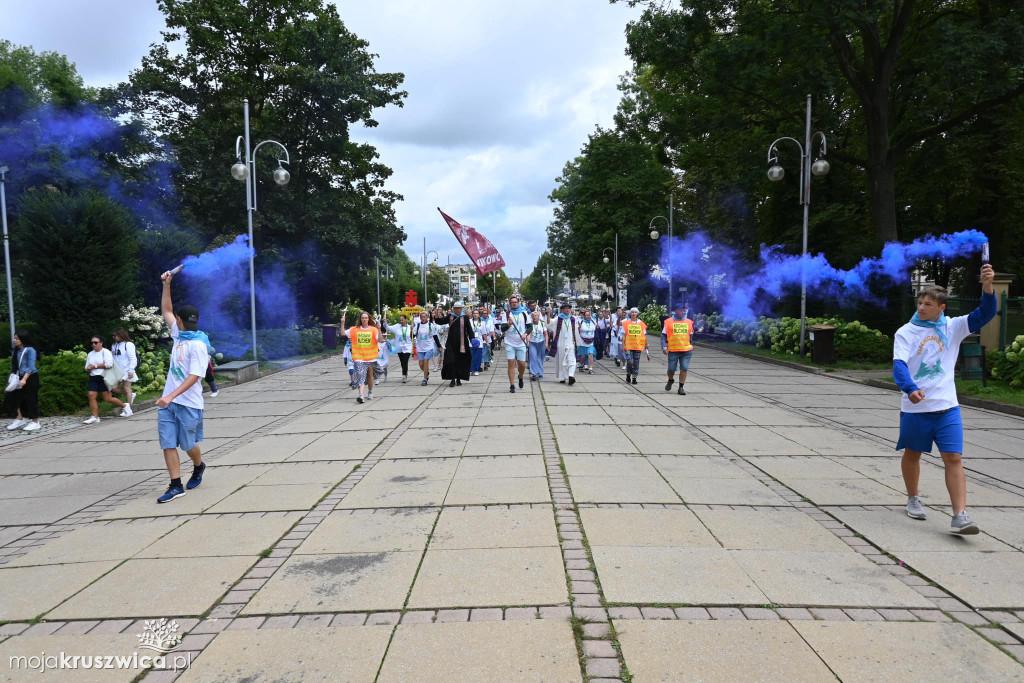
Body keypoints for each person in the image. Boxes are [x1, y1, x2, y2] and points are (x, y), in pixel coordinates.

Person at [893, 265, 997, 535]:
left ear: (942, 307)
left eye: (927, 304)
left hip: (947, 407)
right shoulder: (906, 332)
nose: (921, 307)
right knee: (912, 453)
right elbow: (899, 365)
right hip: (916, 408)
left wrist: (987, 287)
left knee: (953, 457)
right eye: (919, 303)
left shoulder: (953, 327)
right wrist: (910, 388)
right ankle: (913, 497)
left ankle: (960, 516)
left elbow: (985, 313)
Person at [154, 270, 210, 503]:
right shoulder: (179, 333)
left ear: (182, 321)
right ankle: (175, 485)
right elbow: (166, 309)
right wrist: (167, 284)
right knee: (168, 443)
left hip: (188, 403)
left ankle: (199, 465)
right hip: (169, 404)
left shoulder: (197, 344)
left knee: (188, 445)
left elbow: (195, 376)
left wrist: (171, 395)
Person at [83, 335, 130, 423]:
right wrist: (88, 368)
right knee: (91, 395)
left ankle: (125, 406)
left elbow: (109, 364)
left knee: (108, 399)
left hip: (104, 377)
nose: (93, 344)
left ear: (101, 343)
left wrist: (95, 366)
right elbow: (86, 366)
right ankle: (95, 417)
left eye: (96, 342)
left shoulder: (106, 352)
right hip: (93, 377)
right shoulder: (90, 354)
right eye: (92, 343)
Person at [5, 330, 40, 432]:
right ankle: (20, 418)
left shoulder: (30, 350)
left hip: (30, 377)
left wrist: (24, 379)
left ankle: (35, 422)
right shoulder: (16, 350)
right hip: (18, 377)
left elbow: (31, 367)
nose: (14, 340)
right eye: (14, 338)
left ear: (23, 339)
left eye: (17, 338)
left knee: (31, 399)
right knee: (15, 397)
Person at [434, 301, 473, 387]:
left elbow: (469, 330)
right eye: (456, 308)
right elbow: (440, 321)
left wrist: (472, 339)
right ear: (453, 309)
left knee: (460, 361)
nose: (457, 310)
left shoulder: (465, 318)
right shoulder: (450, 316)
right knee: (451, 361)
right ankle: (452, 379)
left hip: (462, 344)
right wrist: (436, 316)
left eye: (459, 308)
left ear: (461, 309)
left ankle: (458, 379)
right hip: (451, 343)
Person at [661, 302, 694, 395]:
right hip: (673, 350)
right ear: (675, 311)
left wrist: (690, 346)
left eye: (683, 310)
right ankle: (670, 380)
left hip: (686, 350)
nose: (682, 312)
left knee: (684, 368)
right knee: (671, 369)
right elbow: (663, 336)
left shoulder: (689, 322)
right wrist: (664, 347)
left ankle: (681, 387)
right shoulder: (668, 322)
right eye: (680, 310)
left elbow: (691, 336)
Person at [347, 311, 380, 404]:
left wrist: (379, 329)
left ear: (368, 319)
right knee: (360, 375)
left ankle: (370, 391)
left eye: (366, 318)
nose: (364, 319)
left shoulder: (373, 329)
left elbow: (380, 340)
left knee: (370, 374)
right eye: (362, 318)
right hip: (359, 357)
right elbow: (343, 333)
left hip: (370, 357)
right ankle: (361, 396)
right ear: (360, 319)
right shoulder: (355, 329)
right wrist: (342, 323)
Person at [503, 296, 531, 392]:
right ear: (510, 304)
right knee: (511, 363)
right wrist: (508, 325)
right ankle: (512, 385)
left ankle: (521, 376)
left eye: (516, 302)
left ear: (518, 303)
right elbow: (502, 329)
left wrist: (525, 334)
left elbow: (530, 327)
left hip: (521, 343)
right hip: (509, 342)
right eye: (512, 302)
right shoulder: (506, 314)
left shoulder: (524, 313)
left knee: (522, 364)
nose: (514, 303)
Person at [549, 302, 578, 385]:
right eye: (565, 308)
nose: (567, 309)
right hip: (561, 343)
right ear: (562, 310)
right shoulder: (558, 318)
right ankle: (562, 377)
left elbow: (576, 330)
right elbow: (549, 324)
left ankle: (571, 376)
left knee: (572, 360)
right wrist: (548, 314)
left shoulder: (573, 318)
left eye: (568, 308)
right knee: (562, 361)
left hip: (571, 343)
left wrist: (576, 342)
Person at [111, 328, 139, 408]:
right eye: (113, 336)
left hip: (127, 369)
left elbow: (133, 358)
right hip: (117, 370)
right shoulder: (114, 345)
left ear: (121, 335)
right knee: (114, 388)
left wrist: (131, 370)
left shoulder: (128, 344)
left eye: (115, 335)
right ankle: (131, 395)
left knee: (127, 388)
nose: (114, 337)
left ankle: (128, 408)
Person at [621, 307, 647, 385]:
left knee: (636, 363)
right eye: (632, 312)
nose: (634, 314)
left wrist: (646, 344)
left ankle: (634, 378)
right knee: (629, 361)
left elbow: (644, 335)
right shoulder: (626, 323)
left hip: (638, 346)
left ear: (637, 314)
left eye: (635, 312)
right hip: (628, 346)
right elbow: (624, 335)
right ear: (630, 313)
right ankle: (628, 374)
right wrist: (623, 345)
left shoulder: (641, 323)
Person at [414, 311, 440, 385]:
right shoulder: (418, 325)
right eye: (421, 317)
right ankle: (426, 372)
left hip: (429, 347)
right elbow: (413, 336)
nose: (423, 318)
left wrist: (438, 346)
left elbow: (435, 336)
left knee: (426, 362)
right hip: (420, 347)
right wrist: (412, 331)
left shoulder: (430, 325)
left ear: (427, 317)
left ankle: (425, 379)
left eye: (424, 317)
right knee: (421, 364)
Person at [388, 314, 414, 383]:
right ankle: (405, 372)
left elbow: (413, 336)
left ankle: (404, 375)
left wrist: (413, 330)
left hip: (407, 347)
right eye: (400, 320)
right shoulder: (397, 326)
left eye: (402, 320)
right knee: (402, 362)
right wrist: (385, 322)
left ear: (406, 320)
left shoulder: (410, 327)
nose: (401, 321)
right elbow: (388, 327)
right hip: (399, 347)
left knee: (405, 361)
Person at [528, 310, 547, 381]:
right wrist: (528, 342)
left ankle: (540, 371)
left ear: (538, 317)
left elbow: (546, 334)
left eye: (536, 316)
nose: (534, 317)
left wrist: (547, 343)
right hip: (532, 343)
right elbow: (529, 334)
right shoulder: (530, 325)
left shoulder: (542, 324)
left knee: (540, 357)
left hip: (541, 342)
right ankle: (534, 373)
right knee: (533, 357)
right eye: (533, 316)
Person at [577, 308, 597, 374]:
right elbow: (577, 331)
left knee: (590, 354)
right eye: (586, 315)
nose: (588, 316)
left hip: (591, 342)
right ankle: (581, 364)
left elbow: (596, 328)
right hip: (583, 342)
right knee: (583, 356)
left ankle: (590, 368)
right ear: (584, 316)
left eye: (589, 315)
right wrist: (579, 327)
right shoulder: (581, 322)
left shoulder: (593, 322)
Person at [469, 309, 486, 376]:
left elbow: (484, 333)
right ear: (472, 314)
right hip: (471, 342)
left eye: (477, 313)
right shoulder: (469, 322)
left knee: (478, 357)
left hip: (479, 342)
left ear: (479, 314)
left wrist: (487, 342)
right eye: (474, 313)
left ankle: (476, 369)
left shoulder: (482, 322)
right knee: (472, 356)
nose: (475, 314)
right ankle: (471, 369)